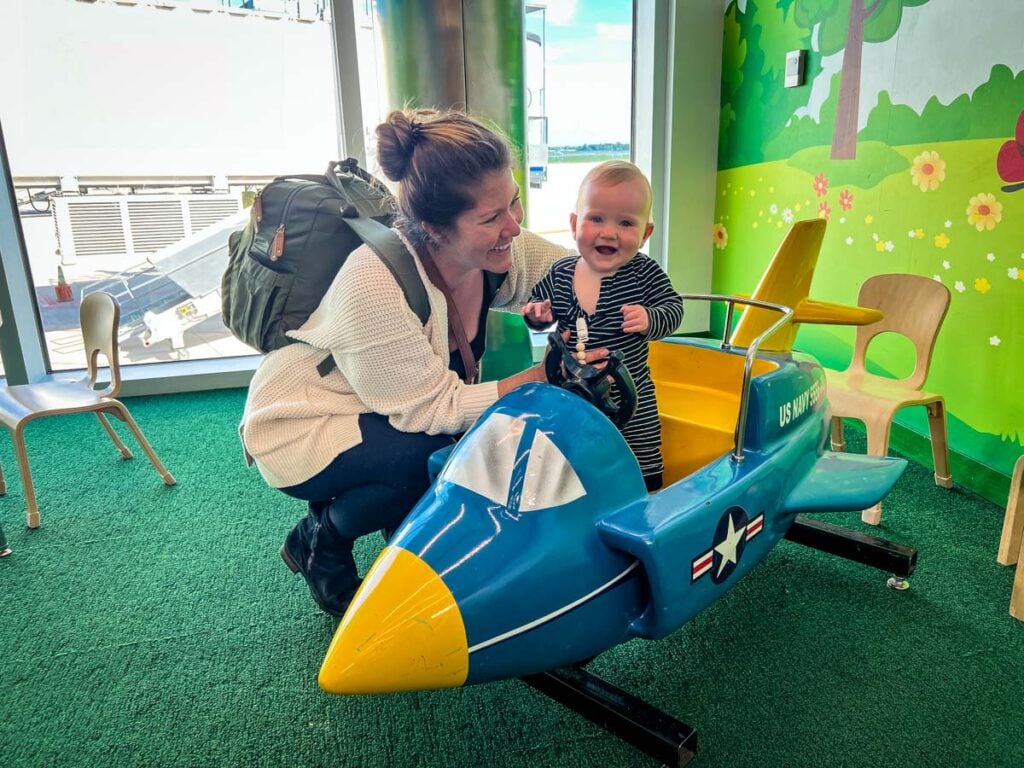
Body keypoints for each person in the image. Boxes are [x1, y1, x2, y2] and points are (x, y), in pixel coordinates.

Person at [239, 108, 604, 618]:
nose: (514, 227)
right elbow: (430, 410)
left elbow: (575, 272)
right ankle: (319, 538)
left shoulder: (498, 250)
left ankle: (396, 529)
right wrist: (544, 376)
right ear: (434, 227)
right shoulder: (374, 282)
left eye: (515, 201)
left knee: (444, 452)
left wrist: (624, 303)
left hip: (381, 405)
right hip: (305, 422)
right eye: (491, 218)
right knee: (430, 457)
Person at [522, 160, 683, 492]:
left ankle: (648, 500)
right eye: (596, 218)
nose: (609, 232)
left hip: (630, 399)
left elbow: (674, 308)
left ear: (645, 234)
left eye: (626, 223)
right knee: (571, 459)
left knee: (642, 456)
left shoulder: (644, 273)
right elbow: (540, 307)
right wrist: (537, 315)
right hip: (571, 395)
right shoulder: (562, 271)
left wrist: (651, 319)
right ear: (574, 223)